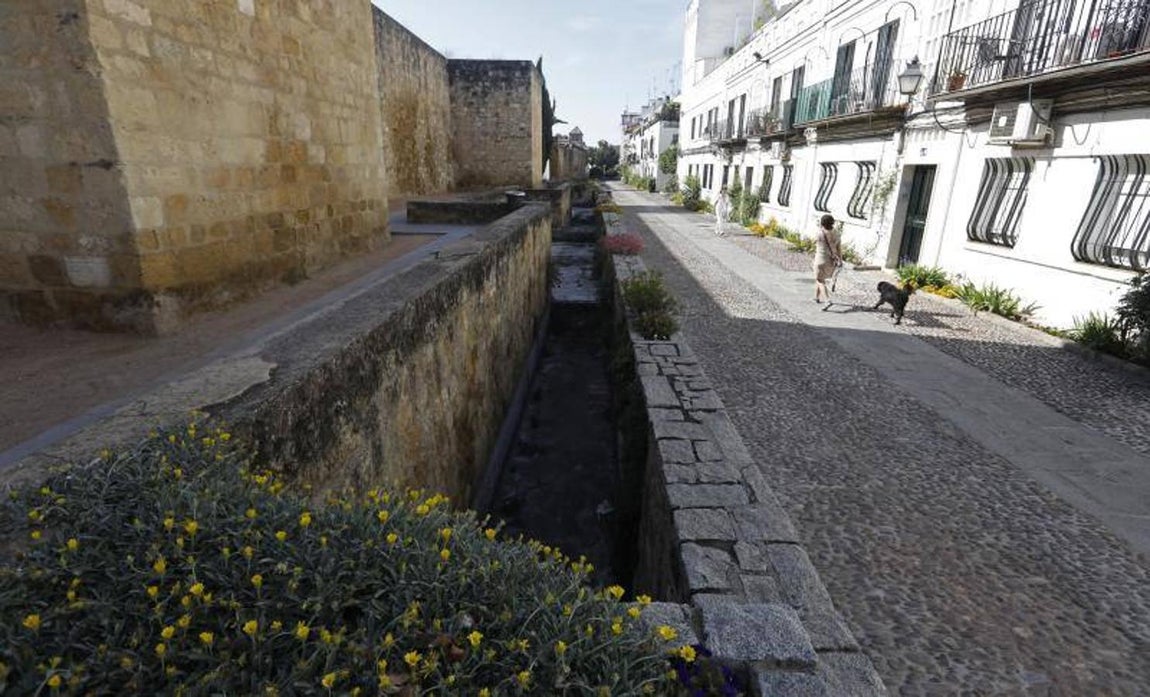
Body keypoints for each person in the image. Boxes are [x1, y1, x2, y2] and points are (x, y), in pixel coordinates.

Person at [813, 213, 842, 305]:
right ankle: (816, 297)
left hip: (820, 259)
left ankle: (827, 300)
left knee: (820, 280)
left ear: (822, 223)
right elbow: (839, 248)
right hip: (831, 261)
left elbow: (814, 242)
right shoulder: (837, 233)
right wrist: (840, 260)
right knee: (821, 278)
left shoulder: (819, 233)